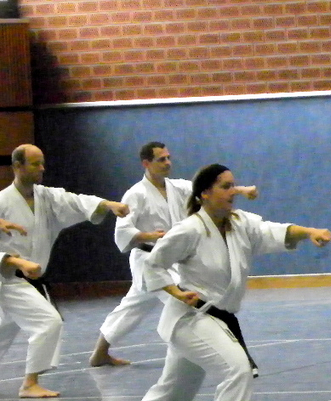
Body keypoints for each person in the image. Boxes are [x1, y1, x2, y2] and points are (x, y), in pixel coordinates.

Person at [117, 163, 331, 401]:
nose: (233, 192)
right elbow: (153, 264)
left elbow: (272, 231)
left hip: (215, 319)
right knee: (237, 368)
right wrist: (175, 292)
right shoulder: (189, 229)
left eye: (233, 185)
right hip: (190, 318)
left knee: (175, 389)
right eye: (226, 186)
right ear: (205, 193)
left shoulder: (239, 223)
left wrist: (308, 232)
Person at [90, 141, 257, 366]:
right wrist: (150, 235)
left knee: (131, 307)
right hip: (147, 259)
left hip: (170, 259)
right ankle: (193, 356)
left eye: (168, 158)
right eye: (161, 159)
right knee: (187, 302)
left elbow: (208, 190)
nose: (168, 163)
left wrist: (242, 190)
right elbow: (123, 231)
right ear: (146, 163)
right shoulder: (136, 194)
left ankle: (100, 353)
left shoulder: (177, 187)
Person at [0, 144, 130, 398]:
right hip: (8, 280)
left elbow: (75, 200)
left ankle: (30, 382)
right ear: (17, 166)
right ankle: (29, 383)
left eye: (42, 162)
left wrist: (107, 204)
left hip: (28, 280)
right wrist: (17, 262)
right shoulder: (2, 202)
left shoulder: (46, 197)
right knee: (48, 322)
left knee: (4, 332)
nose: (42, 168)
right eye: (35, 164)